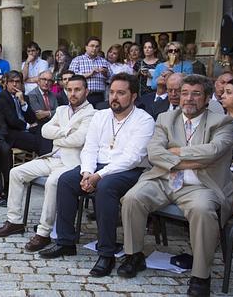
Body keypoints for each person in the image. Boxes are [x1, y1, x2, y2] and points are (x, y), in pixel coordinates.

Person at [119, 75, 233, 297]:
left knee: (202, 210)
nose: (189, 99)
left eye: (196, 93)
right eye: (184, 93)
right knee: (133, 198)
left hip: (200, 185)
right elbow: (154, 153)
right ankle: (134, 255)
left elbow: (214, 151)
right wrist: (186, 161)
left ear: (208, 98)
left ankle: (201, 276)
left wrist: (176, 152)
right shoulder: (165, 118)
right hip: (164, 179)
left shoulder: (221, 122)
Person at [39, 73, 154, 278]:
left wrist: (98, 176)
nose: (114, 97)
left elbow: (132, 158)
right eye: (112, 92)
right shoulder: (101, 115)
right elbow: (89, 148)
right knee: (65, 180)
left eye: (121, 93)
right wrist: (86, 172)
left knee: (106, 187)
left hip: (128, 171)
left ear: (134, 96)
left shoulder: (143, 120)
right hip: (96, 166)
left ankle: (106, 253)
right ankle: (66, 242)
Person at [0, 75, 96, 253]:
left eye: (77, 90)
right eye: (69, 89)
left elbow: (79, 139)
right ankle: (14, 221)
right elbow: (45, 130)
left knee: (52, 183)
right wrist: (65, 132)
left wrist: (58, 136)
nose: (73, 93)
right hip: (52, 157)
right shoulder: (62, 110)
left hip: (71, 164)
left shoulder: (92, 113)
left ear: (86, 91)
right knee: (16, 172)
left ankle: (43, 233)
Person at [0, 70, 42, 154]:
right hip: (12, 132)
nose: (14, 84)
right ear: (6, 83)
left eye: (17, 82)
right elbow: (12, 121)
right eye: (11, 81)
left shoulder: (24, 97)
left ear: (21, 84)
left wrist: (22, 102)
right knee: (37, 141)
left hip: (25, 129)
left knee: (45, 133)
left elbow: (32, 119)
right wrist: (29, 126)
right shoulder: (2, 97)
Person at [69, 36, 110, 107]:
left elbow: (111, 79)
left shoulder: (104, 62)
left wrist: (105, 74)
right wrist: (90, 74)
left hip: (99, 96)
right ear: (86, 47)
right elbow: (72, 78)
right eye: (92, 46)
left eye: (97, 46)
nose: (94, 48)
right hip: (82, 96)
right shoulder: (77, 60)